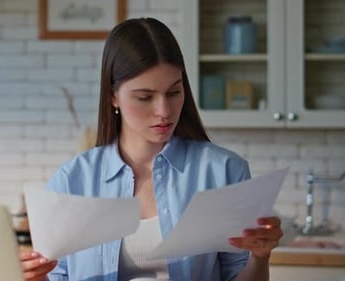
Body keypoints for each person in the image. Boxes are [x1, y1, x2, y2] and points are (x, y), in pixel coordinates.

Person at [20, 17, 283, 281]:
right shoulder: (72, 181)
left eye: (173, 92)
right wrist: (36, 277)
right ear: (113, 96)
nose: (164, 112)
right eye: (145, 97)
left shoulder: (223, 171)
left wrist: (260, 257)